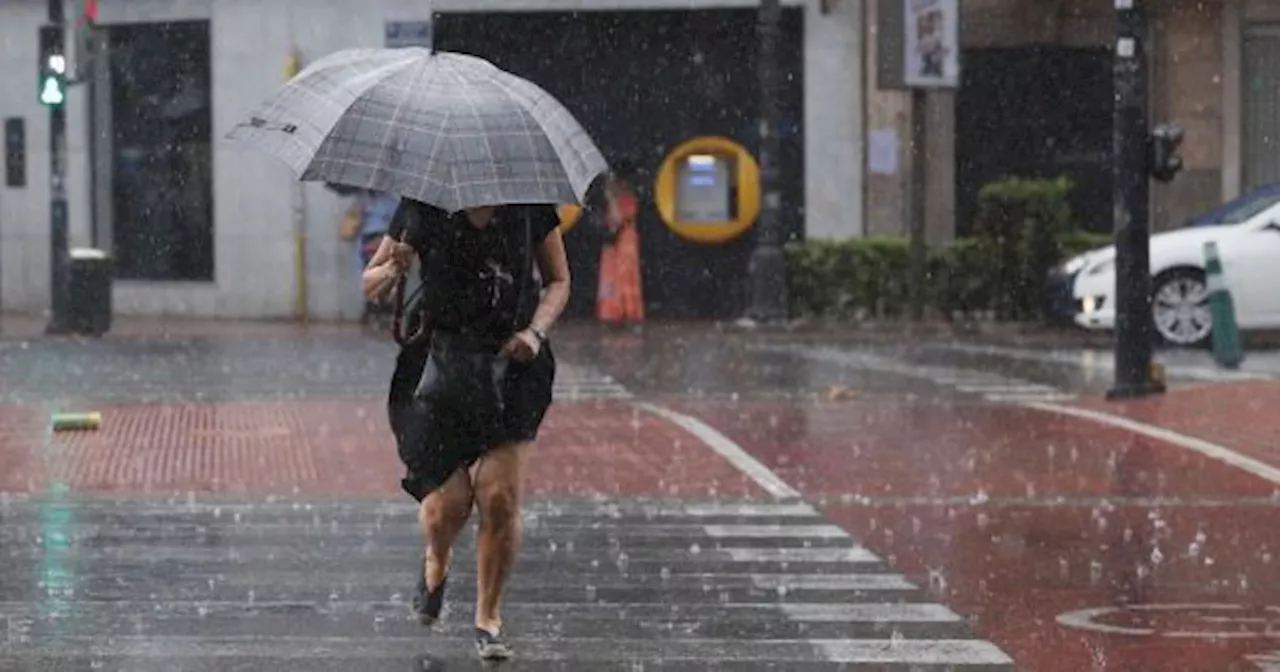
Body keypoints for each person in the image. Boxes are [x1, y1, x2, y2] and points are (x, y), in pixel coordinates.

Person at [361, 199, 570, 660]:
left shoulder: (530, 208)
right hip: (438, 367)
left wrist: (535, 332)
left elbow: (559, 280)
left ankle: (488, 619)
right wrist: (394, 269)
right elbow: (370, 286)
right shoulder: (423, 208)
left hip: (514, 365)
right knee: (446, 509)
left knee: (499, 497)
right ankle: (437, 561)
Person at [596, 167, 645, 327]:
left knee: (621, 276)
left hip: (623, 243)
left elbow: (617, 219)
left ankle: (621, 309)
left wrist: (611, 198)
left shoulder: (624, 199)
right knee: (613, 276)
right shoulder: (619, 199)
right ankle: (615, 308)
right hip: (619, 243)